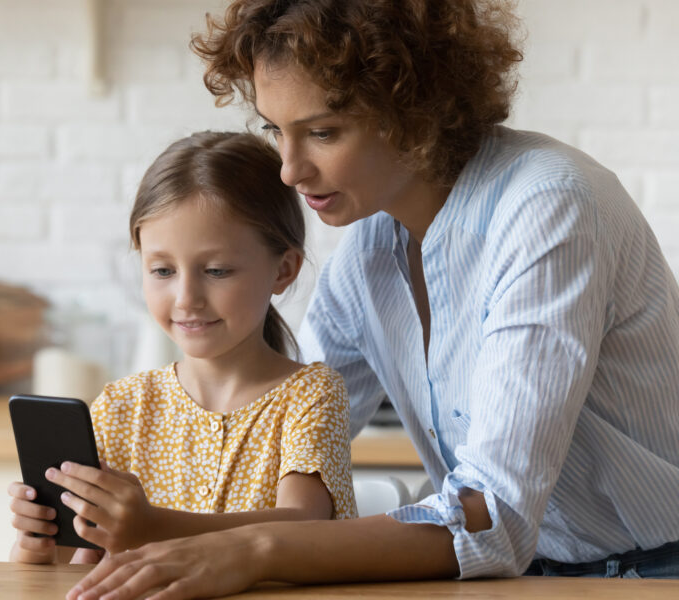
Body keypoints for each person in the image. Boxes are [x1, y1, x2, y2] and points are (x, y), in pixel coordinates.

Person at [66, 0, 679, 597]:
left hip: (648, 577)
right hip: (511, 583)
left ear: (414, 107)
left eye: (323, 132)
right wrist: (102, 519)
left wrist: (254, 551)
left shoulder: (550, 206)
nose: (288, 170)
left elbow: (494, 518)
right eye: (277, 131)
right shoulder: (366, 252)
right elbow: (286, 425)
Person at [7, 131, 358, 566]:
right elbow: (75, 568)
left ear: (283, 270)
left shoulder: (310, 394)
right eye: (162, 270)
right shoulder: (122, 407)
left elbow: (304, 526)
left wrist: (153, 526)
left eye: (216, 270)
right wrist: (34, 544)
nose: (186, 297)